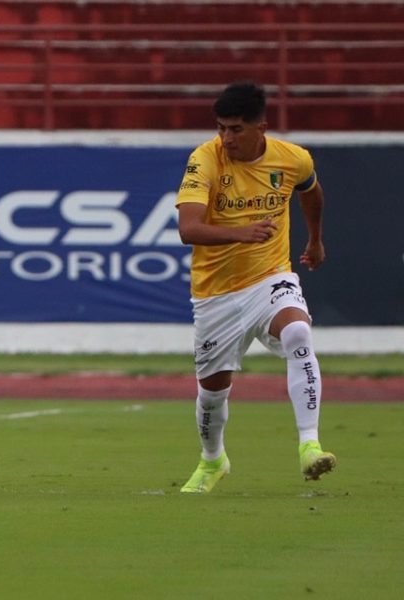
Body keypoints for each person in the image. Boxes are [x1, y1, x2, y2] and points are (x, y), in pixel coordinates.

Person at [176, 81, 336, 493]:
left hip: (270, 277)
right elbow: (188, 229)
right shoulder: (205, 159)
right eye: (221, 128)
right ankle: (213, 462)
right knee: (213, 392)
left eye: (236, 129)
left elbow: (311, 191)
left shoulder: (293, 159)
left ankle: (309, 446)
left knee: (299, 331)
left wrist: (314, 239)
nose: (226, 137)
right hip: (216, 293)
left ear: (261, 127)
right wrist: (241, 232)